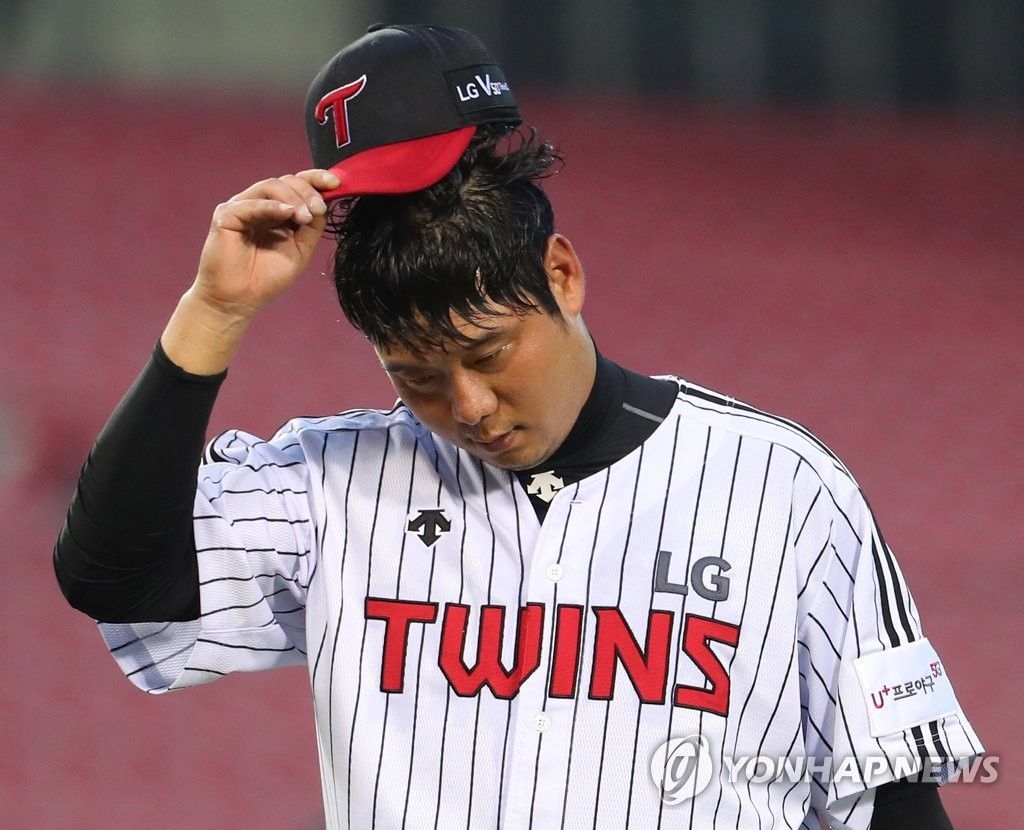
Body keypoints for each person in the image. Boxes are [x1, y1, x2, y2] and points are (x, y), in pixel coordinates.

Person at [54, 23, 982, 830]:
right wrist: (214, 312)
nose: (468, 406)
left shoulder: (780, 488)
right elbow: (111, 575)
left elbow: (896, 802)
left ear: (563, 276)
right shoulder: (330, 482)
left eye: (491, 353)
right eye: (417, 377)